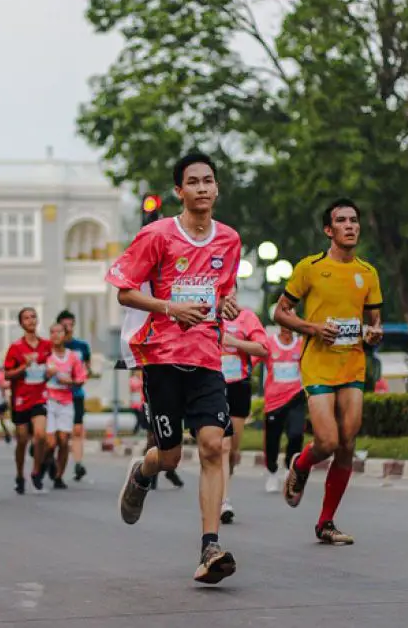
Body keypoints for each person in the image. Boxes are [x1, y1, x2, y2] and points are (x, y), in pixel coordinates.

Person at [109, 151, 242, 584]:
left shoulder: (229, 240)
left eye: (209, 180)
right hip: (162, 358)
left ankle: (210, 547)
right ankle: (142, 472)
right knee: (168, 457)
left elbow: (224, 288)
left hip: (206, 358)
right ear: (179, 190)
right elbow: (125, 292)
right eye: (194, 181)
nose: (202, 188)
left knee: (212, 447)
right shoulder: (158, 236)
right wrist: (170, 308)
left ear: (217, 188)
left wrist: (226, 302)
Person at [274, 198, 383, 545]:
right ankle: (302, 465)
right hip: (318, 364)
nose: (350, 226)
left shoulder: (367, 273)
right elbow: (280, 313)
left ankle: (326, 522)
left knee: (348, 443)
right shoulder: (309, 267)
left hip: (352, 363)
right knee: (328, 441)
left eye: (354, 220)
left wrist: (374, 333)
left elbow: (374, 321)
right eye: (342, 221)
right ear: (328, 230)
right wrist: (311, 328)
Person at [218, 286, 268, 523]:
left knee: (233, 449)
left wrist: (233, 341)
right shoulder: (208, 315)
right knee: (223, 446)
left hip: (238, 385)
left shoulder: (246, 317)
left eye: (231, 291)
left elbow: (263, 348)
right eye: (223, 291)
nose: (228, 296)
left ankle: (226, 477)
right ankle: (223, 500)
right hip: (213, 386)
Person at [4, 307, 53, 494]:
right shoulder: (16, 348)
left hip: (39, 397)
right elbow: (7, 374)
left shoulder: (46, 346)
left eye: (33, 317)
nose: (31, 320)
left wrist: (49, 372)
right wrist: (23, 367)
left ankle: (36, 471)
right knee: (22, 440)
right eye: (26, 318)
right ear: (21, 323)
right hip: (21, 399)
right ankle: (19, 474)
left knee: (40, 435)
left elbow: (52, 366)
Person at [259, 325, 306, 493]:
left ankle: (289, 469)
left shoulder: (300, 344)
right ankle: (272, 471)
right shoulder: (269, 343)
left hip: (296, 397)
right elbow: (254, 357)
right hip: (274, 401)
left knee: (296, 434)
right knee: (272, 439)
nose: (287, 328)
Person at [45, 322, 88, 489]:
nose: (56, 335)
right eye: (52, 332)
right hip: (48, 401)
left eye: (59, 332)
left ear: (65, 335)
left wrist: (67, 381)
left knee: (63, 440)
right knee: (50, 443)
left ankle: (58, 476)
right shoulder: (46, 355)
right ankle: (47, 460)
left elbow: (81, 378)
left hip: (66, 401)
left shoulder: (72, 357)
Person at [57, 310, 92, 482]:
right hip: (57, 395)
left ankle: (78, 464)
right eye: (65, 325)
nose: (68, 328)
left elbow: (88, 367)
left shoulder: (82, 346)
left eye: (71, 325)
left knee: (77, 430)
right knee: (60, 434)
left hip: (76, 394)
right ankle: (52, 460)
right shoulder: (54, 346)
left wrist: (83, 375)